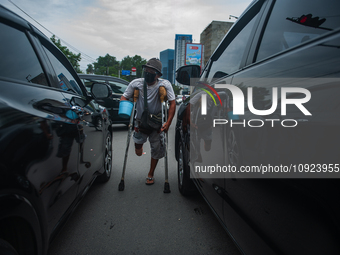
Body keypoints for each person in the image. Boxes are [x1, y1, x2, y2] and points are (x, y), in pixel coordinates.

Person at [120, 58, 176, 185]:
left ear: (158, 75)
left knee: (156, 149)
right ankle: (138, 145)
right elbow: (124, 97)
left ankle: (151, 173)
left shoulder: (165, 84)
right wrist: (125, 105)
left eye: (152, 71)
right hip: (140, 122)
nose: (148, 72)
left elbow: (173, 103)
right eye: (147, 70)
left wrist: (168, 122)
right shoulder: (136, 83)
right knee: (138, 147)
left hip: (156, 122)